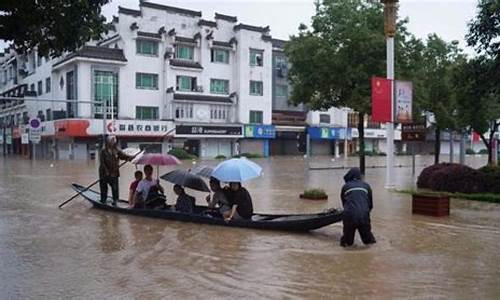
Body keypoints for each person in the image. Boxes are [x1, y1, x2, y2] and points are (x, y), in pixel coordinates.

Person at [340, 167, 376, 247]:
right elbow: (370, 205)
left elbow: (344, 203)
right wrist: (364, 213)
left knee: (347, 243)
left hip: (349, 216)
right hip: (364, 215)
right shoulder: (366, 186)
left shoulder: (345, 186)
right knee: (369, 242)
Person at [98, 135, 133, 206]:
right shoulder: (103, 151)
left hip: (114, 172)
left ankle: (115, 200)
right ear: (108, 142)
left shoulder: (117, 150)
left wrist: (130, 157)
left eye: (114, 141)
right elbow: (102, 163)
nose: (113, 143)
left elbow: (123, 156)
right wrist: (107, 172)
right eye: (111, 141)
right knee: (104, 187)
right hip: (104, 173)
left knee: (115, 188)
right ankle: (103, 200)